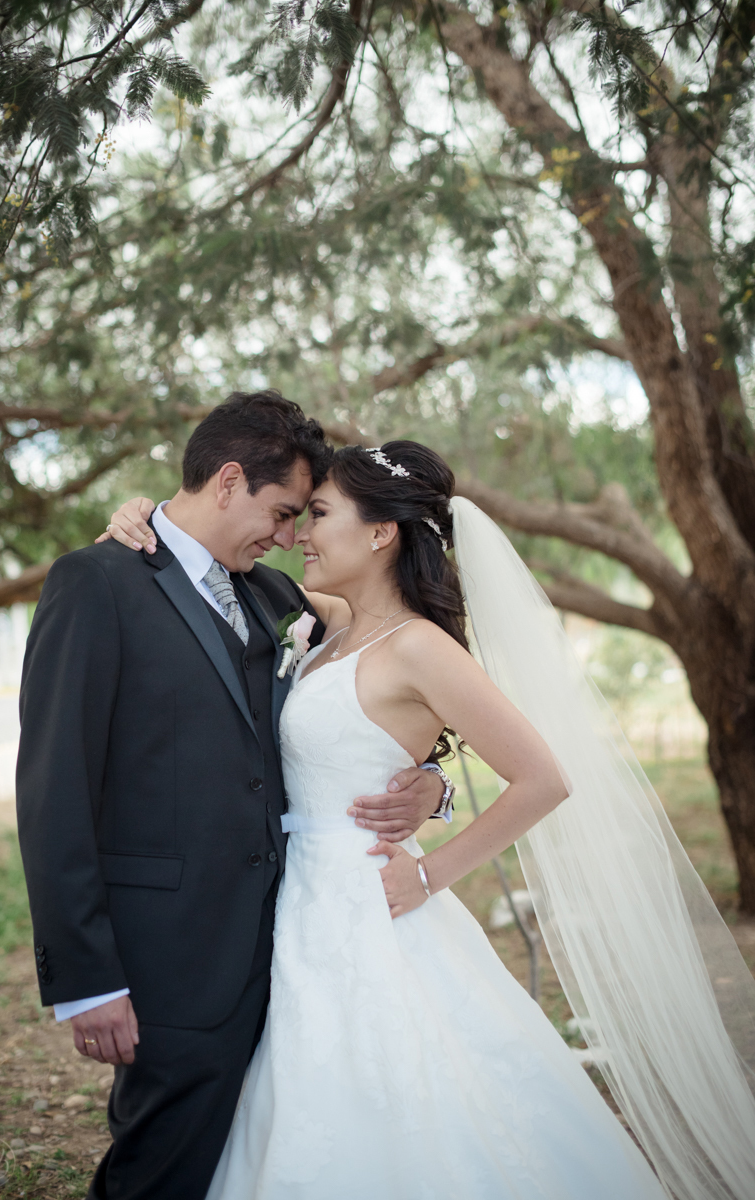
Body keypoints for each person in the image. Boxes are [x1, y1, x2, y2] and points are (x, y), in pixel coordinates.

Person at [107, 438, 755, 1200]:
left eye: (317, 514)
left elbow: (541, 778)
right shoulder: (326, 625)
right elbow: (205, 575)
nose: (299, 534)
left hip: (371, 902)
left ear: (381, 533)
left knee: (401, 1089)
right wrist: (141, 512)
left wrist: (430, 870)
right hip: (295, 900)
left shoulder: (420, 646)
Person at [15, 395, 447, 1200]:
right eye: (283, 512)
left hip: (290, 946)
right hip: (167, 956)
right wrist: (85, 977)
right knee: (161, 1166)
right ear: (226, 480)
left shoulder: (278, 600)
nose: (289, 536)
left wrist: (433, 784)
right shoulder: (96, 581)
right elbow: (53, 789)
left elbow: (392, 694)